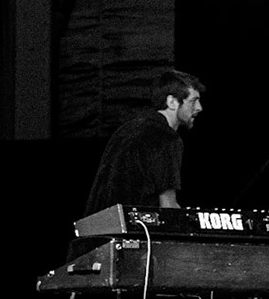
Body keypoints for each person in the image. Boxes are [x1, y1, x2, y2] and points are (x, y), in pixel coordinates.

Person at [84, 69, 205, 213]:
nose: (199, 108)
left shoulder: (127, 129)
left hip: (99, 227)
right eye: (193, 101)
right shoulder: (166, 137)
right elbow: (168, 206)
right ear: (172, 102)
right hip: (135, 230)